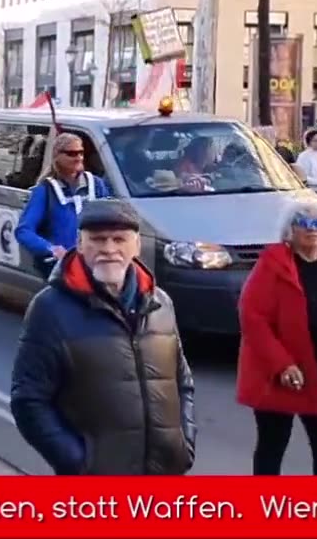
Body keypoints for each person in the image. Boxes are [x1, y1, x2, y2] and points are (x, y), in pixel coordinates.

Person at [11, 199, 195, 475]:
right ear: (80, 244)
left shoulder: (160, 304)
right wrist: (80, 462)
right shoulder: (50, 309)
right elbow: (28, 400)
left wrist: (184, 443)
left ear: (136, 245)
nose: (109, 249)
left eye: (119, 239)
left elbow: (182, 382)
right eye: (97, 240)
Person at [237, 200, 317, 475]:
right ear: (290, 231)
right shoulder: (273, 266)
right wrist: (282, 363)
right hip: (284, 378)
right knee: (272, 449)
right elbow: (253, 318)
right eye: (304, 224)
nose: (313, 230)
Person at [15, 133, 110, 279]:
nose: (78, 157)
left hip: (94, 266)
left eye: (80, 153)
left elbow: (110, 221)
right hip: (62, 270)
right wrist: (51, 249)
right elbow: (23, 230)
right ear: (57, 156)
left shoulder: (96, 185)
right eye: (71, 154)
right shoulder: (45, 190)